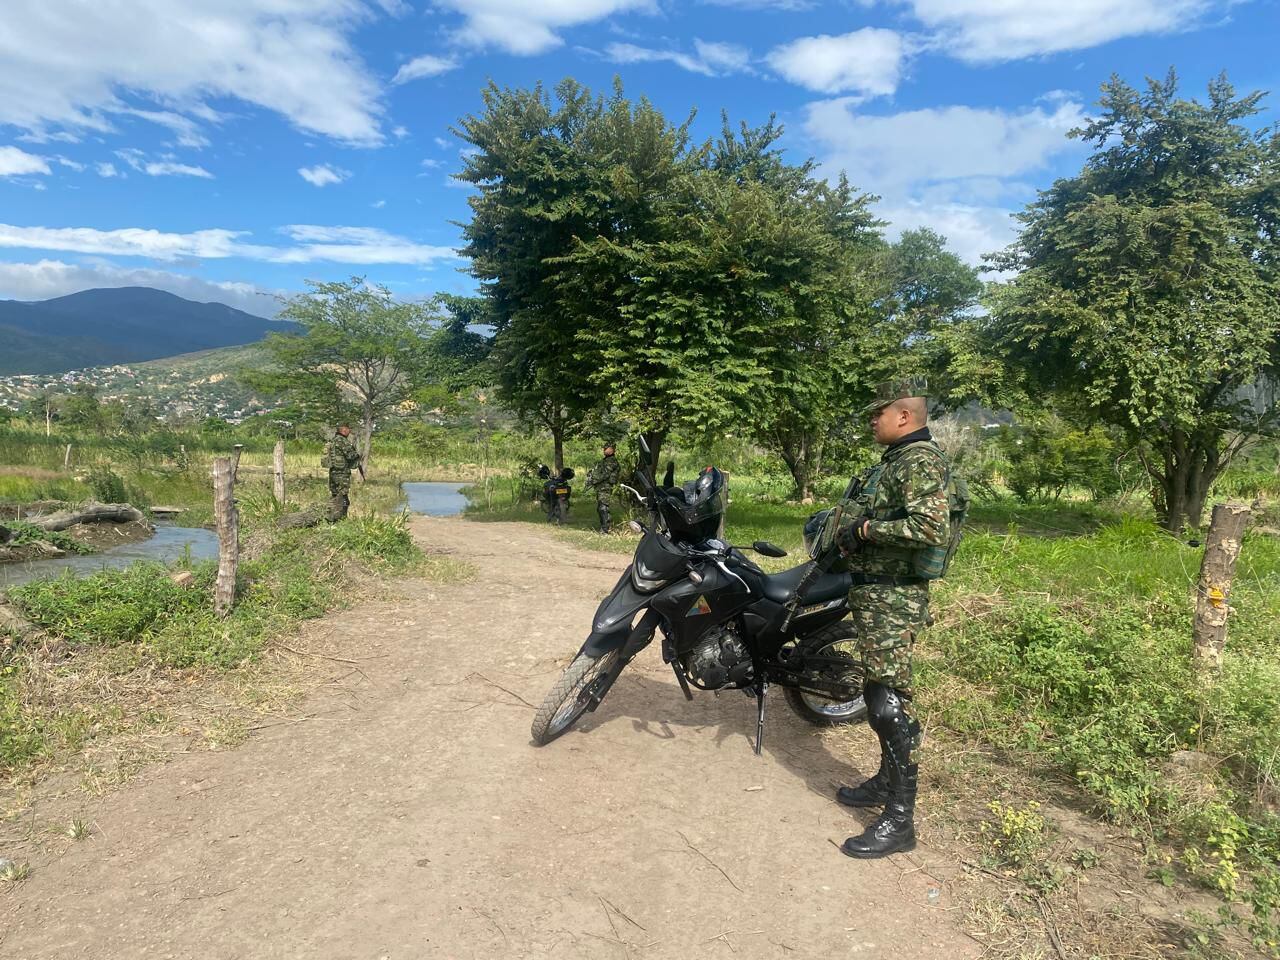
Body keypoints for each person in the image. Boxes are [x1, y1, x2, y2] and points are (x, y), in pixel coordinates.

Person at [835, 377, 951, 859]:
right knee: (878, 691)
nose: (871, 420)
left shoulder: (920, 461)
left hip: (894, 597)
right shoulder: (899, 460)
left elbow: (930, 526)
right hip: (879, 594)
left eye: (877, 413)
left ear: (903, 416)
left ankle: (901, 823)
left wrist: (865, 528)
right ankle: (886, 782)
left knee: (888, 702)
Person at [324, 424, 363, 520]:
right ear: (344, 430)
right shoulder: (342, 441)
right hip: (342, 472)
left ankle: (330, 516)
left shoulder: (333, 440)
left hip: (333, 471)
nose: (349, 431)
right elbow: (350, 455)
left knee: (334, 494)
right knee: (343, 497)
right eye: (348, 429)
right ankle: (341, 518)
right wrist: (358, 455)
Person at [586, 444, 621, 534]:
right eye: (604, 448)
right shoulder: (606, 460)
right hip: (601, 487)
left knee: (603, 507)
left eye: (607, 448)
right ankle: (604, 526)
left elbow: (605, 474)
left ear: (612, 450)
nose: (604, 450)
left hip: (606, 487)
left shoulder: (611, 461)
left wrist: (594, 480)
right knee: (601, 507)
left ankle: (605, 529)